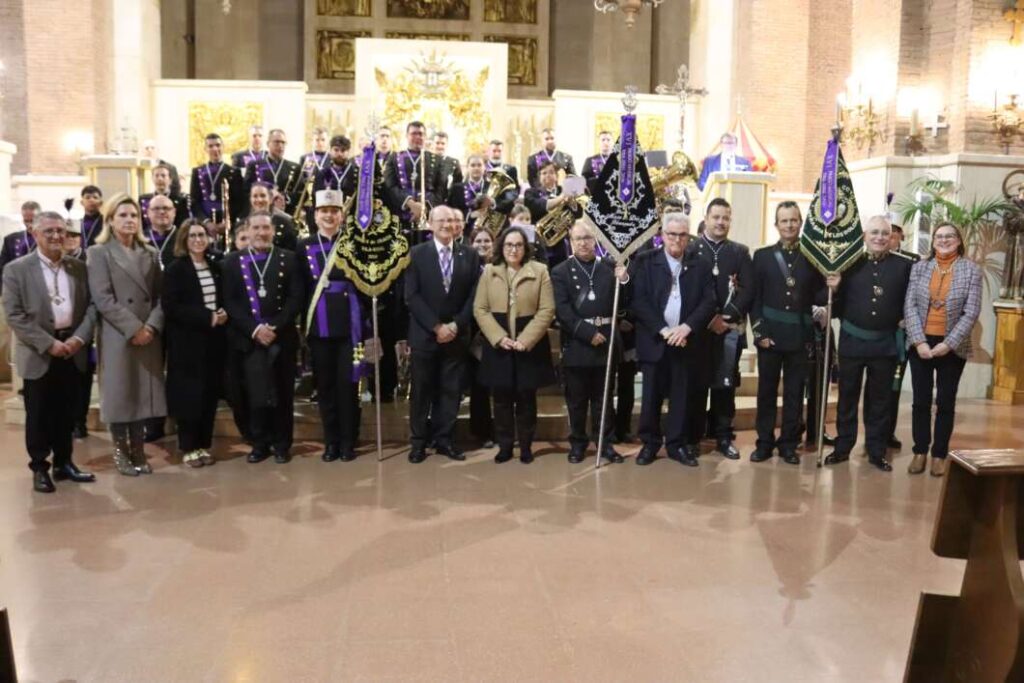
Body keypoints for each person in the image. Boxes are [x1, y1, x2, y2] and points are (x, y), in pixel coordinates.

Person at [3, 211, 97, 493]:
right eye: (49, 232)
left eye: (61, 231)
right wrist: (49, 343)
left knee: (68, 411)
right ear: (34, 234)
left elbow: (92, 307)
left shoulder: (79, 267)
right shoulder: (16, 269)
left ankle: (64, 463)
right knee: (40, 413)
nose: (56, 236)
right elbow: (15, 315)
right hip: (39, 352)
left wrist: (79, 338)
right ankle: (40, 467)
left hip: (73, 349)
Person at [823, 216, 912, 472]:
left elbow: (910, 299)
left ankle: (876, 450)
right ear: (864, 235)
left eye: (885, 233)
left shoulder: (904, 266)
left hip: (884, 344)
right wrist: (836, 288)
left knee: (880, 401)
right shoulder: (849, 264)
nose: (880, 238)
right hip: (852, 342)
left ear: (892, 237)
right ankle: (843, 447)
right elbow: (835, 306)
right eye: (874, 232)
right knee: (847, 398)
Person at [87, 195, 167, 476]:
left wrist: (152, 327)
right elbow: (103, 298)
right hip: (118, 335)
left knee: (142, 394)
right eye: (123, 215)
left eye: (134, 215)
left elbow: (160, 298)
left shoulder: (150, 253)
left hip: (148, 334)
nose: (130, 220)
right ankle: (121, 452)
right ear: (110, 220)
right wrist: (134, 328)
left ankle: (139, 449)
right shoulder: (98, 253)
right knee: (122, 394)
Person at [749, 202, 831, 465]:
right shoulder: (761, 256)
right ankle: (764, 443)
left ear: (800, 223)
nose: (789, 225)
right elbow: (755, 298)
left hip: (799, 336)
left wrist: (833, 284)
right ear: (776, 225)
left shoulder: (812, 258)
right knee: (766, 393)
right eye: (784, 221)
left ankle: (788, 444)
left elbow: (819, 295)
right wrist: (759, 332)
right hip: (770, 336)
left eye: (794, 220)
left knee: (794, 394)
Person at [631, 213, 716, 466]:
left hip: (685, 341)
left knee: (681, 396)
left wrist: (686, 327)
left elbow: (709, 301)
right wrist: (663, 329)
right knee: (651, 397)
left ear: (688, 237)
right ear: (662, 235)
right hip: (656, 340)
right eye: (671, 234)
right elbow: (639, 301)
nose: (677, 239)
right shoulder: (646, 261)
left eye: (682, 235)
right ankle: (649, 444)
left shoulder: (700, 264)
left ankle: (676, 445)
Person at [222, 210, 303, 464]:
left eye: (265, 228)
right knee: (254, 395)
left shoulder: (289, 259)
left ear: (273, 231)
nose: (261, 233)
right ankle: (259, 443)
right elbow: (230, 302)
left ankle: (282, 445)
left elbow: (295, 298)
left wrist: (274, 327)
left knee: (282, 393)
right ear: (247, 229)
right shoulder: (232, 262)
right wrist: (255, 330)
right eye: (256, 228)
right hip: (249, 340)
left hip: (282, 337)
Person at [904, 222, 982, 477]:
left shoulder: (971, 270)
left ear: (959, 240)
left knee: (945, 402)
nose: (944, 240)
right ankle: (919, 452)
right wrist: (919, 341)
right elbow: (910, 307)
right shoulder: (919, 268)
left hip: (952, 345)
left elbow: (971, 313)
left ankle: (939, 454)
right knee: (920, 402)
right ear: (933, 240)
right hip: (921, 343)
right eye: (939, 236)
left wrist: (948, 344)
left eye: (950, 236)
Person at [404, 205, 481, 463]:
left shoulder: (469, 254)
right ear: (430, 223)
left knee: (451, 390)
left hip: (457, 335)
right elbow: (411, 296)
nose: (447, 225)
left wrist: (456, 325)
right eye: (441, 220)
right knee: (421, 391)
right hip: (425, 335)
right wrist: (437, 327)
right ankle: (418, 443)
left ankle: (445, 440)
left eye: (451, 220)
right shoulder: (416, 254)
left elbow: (474, 295)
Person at [300, 190, 372, 462]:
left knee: (349, 385)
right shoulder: (304, 246)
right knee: (326, 387)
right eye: (323, 211)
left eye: (334, 211)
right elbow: (301, 288)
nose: (329, 215)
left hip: (350, 330)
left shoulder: (355, 243)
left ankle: (348, 441)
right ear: (316, 216)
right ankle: (331, 441)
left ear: (342, 215)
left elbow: (368, 282)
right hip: (319, 328)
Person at [474, 225, 555, 463]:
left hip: (528, 345)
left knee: (526, 398)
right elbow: (480, 309)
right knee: (501, 400)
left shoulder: (540, 271)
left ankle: (527, 446)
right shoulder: (489, 271)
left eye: (519, 245)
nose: (514, 249)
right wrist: (499, 338)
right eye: (509, 244)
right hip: (499, 345)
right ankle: (505, 446)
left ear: (525, 248)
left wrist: (525, 339)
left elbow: (547, 309)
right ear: (502, 246)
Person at [551, 221, 629, 464]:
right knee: (576, 401)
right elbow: (563, 312)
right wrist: (587, 333)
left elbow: (624, 304)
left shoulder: (609, 267)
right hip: (577, 344)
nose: (583, 243)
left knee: (603, 399)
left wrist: (624, 279)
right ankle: (578, 443)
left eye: (587, 237)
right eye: (577, 239)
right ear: (570, 242)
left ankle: (605, 444)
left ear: (595, 239)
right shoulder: (560, 271)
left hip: (606, 341)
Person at [685, 197, 754, 460]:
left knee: (725, 385)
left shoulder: (739, 252)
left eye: (726, 218)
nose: (721, 222)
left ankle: (724, 436)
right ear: (706, 217)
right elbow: (687, 289)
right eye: (716, 217)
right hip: (699, 330)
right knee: (697, 384)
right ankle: (693, 437)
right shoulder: (691, 249)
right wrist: (707, 319)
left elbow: (748, 290)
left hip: (728, 329)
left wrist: (727, 317)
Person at [162, 219, 227, 468]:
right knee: (189, 397)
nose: (198, 240)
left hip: (213, 341)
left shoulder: (214, 265)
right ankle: (189, 446)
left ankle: (204, 445)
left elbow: (220, 297)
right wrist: (207, 317)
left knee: (209, 395)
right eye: (192, 236)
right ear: (184, 240)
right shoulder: (176, 269)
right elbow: (171, 306)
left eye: (202, 235)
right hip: (187, 343)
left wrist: (221, 313)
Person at [882, 222, 920, 449]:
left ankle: (889, 431)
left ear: (900, 238)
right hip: (879, 332)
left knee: (894, 387)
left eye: (894, 236)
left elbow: (914, 295)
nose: (889, 240)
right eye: (887, 235)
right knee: (878, 388)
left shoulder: (911, 262)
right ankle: (875, 432)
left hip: (900, 333)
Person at [383, 121, 449, 240]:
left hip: (429, 218)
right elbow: (389, 186)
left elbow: (441, 189)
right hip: (400, 215)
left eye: (421, 134)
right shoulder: (393, 158)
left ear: (426, 137)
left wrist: (423, 209)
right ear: (407, 136)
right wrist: (411, 204)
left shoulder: (437, 160)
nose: (418, 137)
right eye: (414, 133)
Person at [466, 228, 495, 447]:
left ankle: (503, 431)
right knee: (479, 386)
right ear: (471, 243)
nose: (483, 244)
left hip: (500, 331)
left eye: (487, 240)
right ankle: (481, 431)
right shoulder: (466, 268)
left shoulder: (502, 267)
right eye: (478, 240)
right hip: (473, 332)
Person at [524, 161, 582, 268]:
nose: (547, 175)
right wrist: (561, 198)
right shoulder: (531, 192)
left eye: (551, 172)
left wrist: (572, 202)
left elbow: (578, 213)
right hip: (538, 243)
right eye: (544, 173)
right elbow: (538, 206)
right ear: (539, 177)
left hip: (561, 245)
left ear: (557, 176)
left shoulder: (562, 190)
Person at [190, 133, 245, 237]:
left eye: (218, 145)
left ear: (223, 147)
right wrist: (206, 222)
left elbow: (239, 201)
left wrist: (228, 221)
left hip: (227, 223)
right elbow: (194, 201)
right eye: (210, 146)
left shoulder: (234, 171)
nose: (215, 149)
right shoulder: (197, 172)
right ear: (205, 149)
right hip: (204, 223)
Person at [448, 154, 516, 236]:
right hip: (465, 232)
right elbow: (451, 210)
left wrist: (493, 203)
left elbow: (508, 205)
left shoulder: (494, 185)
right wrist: (469, 215)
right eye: (473, 165)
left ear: (484, 167)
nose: (476, 168)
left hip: (490, 232)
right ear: (467, 168)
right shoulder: (457, 188)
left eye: (479, 165)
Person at [244, 128, 302, 213]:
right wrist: (267, 195)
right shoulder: (254, 165)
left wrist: (284, 197)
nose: (280, 146)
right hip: (260, 212)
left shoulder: (294, 167)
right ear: (268, 144)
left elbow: (302, 194)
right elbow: (246, 190)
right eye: (277, 142)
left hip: (286, 213)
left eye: (283, 143)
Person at [242, 182, 298, 251]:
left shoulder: (286, 223)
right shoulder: (242, 223)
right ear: (250, 199)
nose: (259, 200)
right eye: (255, 196)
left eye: (263, 196)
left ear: (271, 199)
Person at [0, 201, 41, 291]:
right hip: (16, 289)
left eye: (32, 220)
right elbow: (3, 268)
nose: (29, 224)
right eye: (26, 221)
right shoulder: (10, 240)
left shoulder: (50, 239)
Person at [140, 164, 189, 231]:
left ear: (170, 180)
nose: (160, 179)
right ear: (152, 178)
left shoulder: (181, 200)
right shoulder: (144, 200)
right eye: (156, 176)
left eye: (163, 176)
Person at [143, 194, 181, 270]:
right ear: (148, 213)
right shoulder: (140, 238)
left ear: (174, 212)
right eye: (156, 208)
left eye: (166, 208)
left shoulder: (183, 237)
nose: (162, 212)